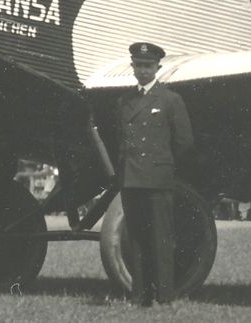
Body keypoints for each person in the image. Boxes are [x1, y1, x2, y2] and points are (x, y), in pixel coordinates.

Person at [115, 42, 194, 306]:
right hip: (132, 179)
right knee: (136, 238)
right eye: (138, 65)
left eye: (148, 66)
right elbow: (121, 141)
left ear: (157, 68)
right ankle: (139, 296)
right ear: (132, 66)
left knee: (161, 239)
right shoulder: (125, 101)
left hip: (158, 179)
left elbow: (184, 143)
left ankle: (165, 298)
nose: (143, 70)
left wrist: (165, 168)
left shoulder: (171, 100)